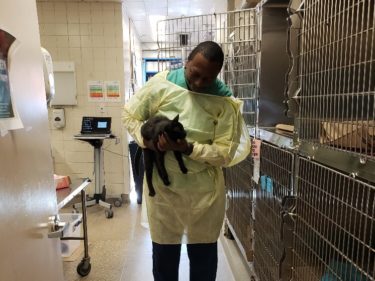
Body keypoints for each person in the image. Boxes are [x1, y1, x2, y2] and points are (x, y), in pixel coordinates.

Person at [122, 41, 250, 281]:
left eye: (208, 78)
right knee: (164, 261)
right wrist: (147, 141)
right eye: (195, 74)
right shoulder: (162, 85)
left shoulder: (224, 103)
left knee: (203, 262)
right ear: (187, 62)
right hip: (165, 190)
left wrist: (188, 148)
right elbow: (130, 114)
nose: (200, 83)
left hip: (204, 194)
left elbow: (224, 153)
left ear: (218, 74)